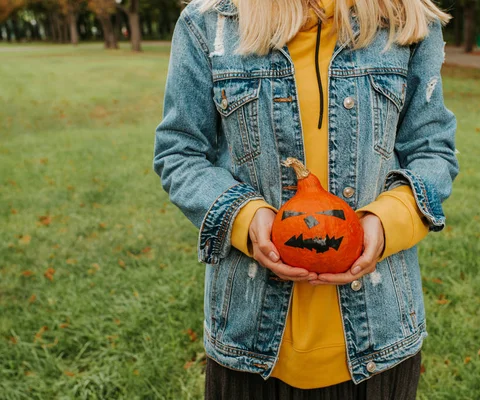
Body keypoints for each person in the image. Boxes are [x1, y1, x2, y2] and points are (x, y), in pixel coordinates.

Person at [153, 0, 458, 398]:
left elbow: (433, 151)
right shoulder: (211, 23)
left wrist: (385, 223)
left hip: (380, 342)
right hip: (250, 345)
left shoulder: (405, 19)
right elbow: (180, 151)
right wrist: (246, 217)